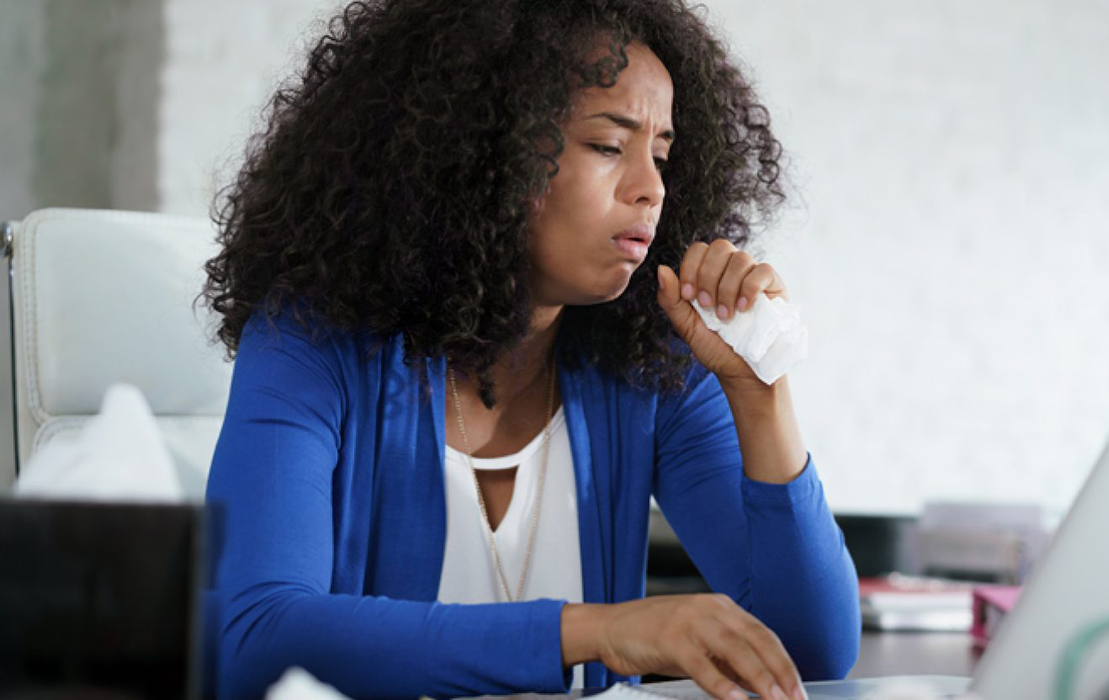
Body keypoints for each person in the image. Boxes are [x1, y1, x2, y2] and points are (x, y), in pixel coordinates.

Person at [202, 0, 860, 698]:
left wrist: (761, 394)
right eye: (609, 146)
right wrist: (597, 632)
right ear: (480, 149)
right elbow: (255, 636)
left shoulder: (647, 365)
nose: (651, 189)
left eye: (662, 156)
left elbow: (810, 652)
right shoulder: (311, 341)